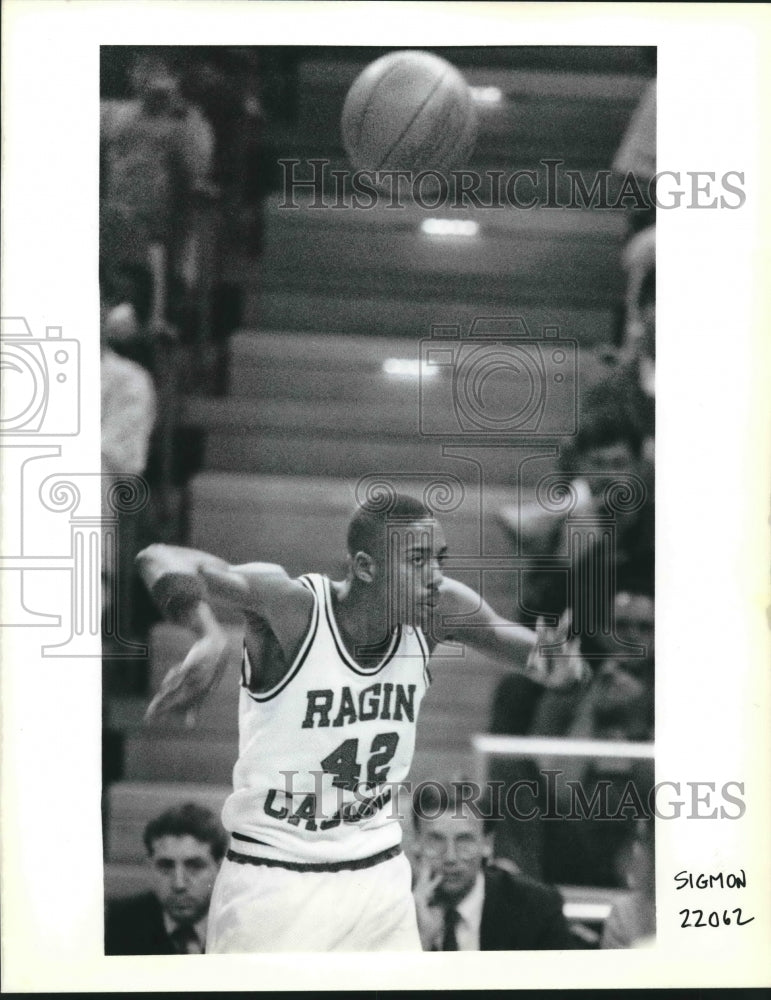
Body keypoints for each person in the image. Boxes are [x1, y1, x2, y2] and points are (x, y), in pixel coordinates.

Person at [136, 492, 589, 952]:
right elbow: (160, 556)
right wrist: (208, 634)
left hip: (377, 875)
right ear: (367, 567)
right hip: (275, 873)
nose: (435, 576)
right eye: (418, 561)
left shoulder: (438, 612)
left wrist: (558, 669)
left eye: (439, 560)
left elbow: (538, 658)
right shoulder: (294, 607)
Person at [411, 781, 577, 951]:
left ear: (487, 843)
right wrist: (421, 940)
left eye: (464, 841)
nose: (450, 857)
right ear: (417, 843)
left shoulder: (537, 908)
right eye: (436, 840)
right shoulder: (394, 908)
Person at [105, 802, 226, 955]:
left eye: (195, 866)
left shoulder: (243, 924)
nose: (179, 884)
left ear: (220, 869)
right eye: (165, 866)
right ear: (150, 867)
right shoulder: (117, 925)